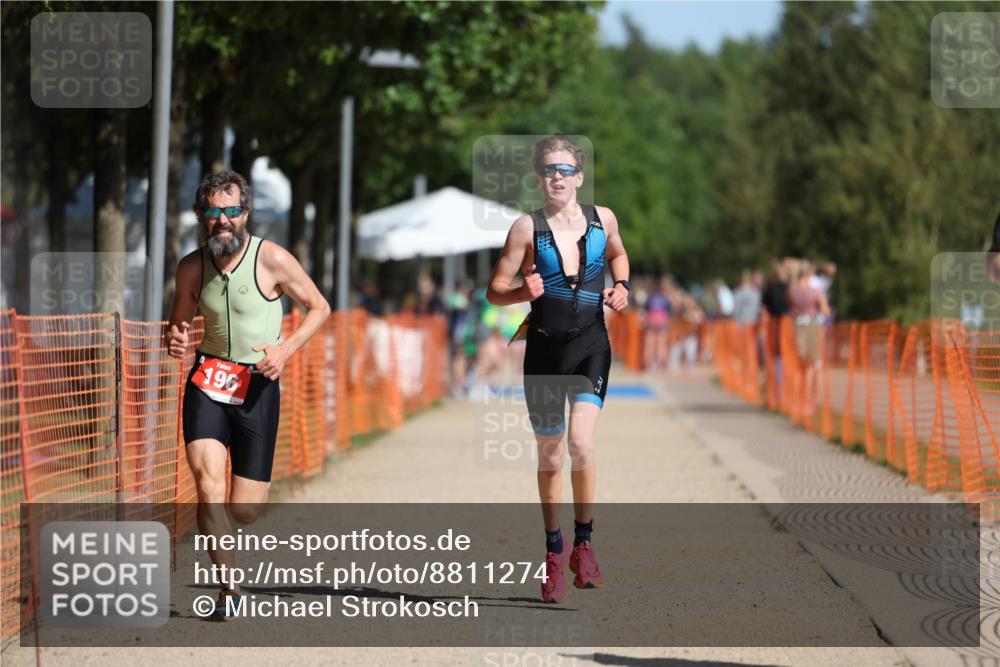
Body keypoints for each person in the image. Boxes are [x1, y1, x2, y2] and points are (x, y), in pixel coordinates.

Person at [166, 170, 331, 619]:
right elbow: (177, 326)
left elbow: (320, 307)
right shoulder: (191, 267)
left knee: (244, 510)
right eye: (214, 212)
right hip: (208, 380)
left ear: (246, 213)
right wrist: (176, 339)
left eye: (231, 211)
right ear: (201, 216)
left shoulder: (273, 259)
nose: (223, 221)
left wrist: (285, 350)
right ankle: (230, 588)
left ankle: (232, 570)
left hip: (258, 383)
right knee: (207, 487)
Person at [487, 135, 630, 603]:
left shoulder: (602, 218)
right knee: (551, 458)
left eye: (566, 169)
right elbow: (495, 290)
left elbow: (617, 254)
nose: (558, 177)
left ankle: (585, 545)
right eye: (549, 170)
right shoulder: (525, 229)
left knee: (581, 442)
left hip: (591, 345)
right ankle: (554, 553)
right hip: (545, 352)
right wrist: (521, 294)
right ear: (538, 178)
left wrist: (623, 284)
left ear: (580, 177)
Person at [787, 260, 831, 416]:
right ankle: (810, 403)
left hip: (796, 328)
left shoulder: (791, 290)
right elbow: (825, 311)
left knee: (798, 367)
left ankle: (798, 400)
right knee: (813, 366)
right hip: (812, 328)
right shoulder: (814, 291)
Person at [643, 277, 673, 371]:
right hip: (662, 321)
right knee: (661, 343)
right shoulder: (665, 298)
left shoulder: (650, 297)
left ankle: (650, 363)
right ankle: (659, 364)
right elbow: (669, 311)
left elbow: (645, 309)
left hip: (651, 321)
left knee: (651, 343)